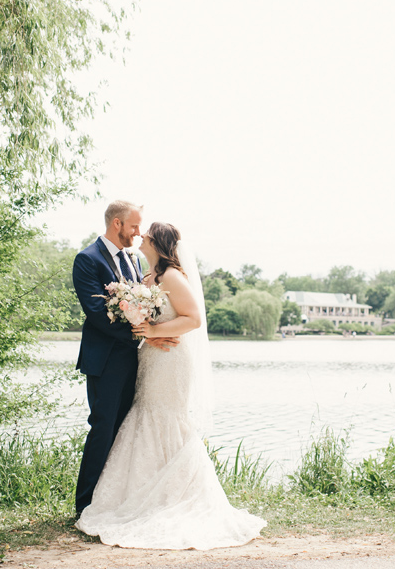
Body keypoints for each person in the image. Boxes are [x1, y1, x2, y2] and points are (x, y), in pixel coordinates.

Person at [75, 222, 266, 550]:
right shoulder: (147, 277)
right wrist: (143, 329)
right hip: (151, 358)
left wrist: (149, 332)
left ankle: (179, 494)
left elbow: (193, 319)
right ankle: (140, 495)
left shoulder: (171, 276)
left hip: (170, 359)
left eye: (146, 235)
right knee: (144, 417)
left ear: (157, 243)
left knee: (165, 419)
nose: (140, 237)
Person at [72, 201, 178, 517]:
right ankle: (85, 505)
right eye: (134, 226)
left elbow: (142, 306)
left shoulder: (132, 260)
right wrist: (147, 335)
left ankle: (112, 500)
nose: (138, 232)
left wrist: (155, 332)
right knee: (103, 427)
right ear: (117, 224)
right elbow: (97, 313)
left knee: (123, 431)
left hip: (134, 361)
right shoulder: (87, 260)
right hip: (104, 361)